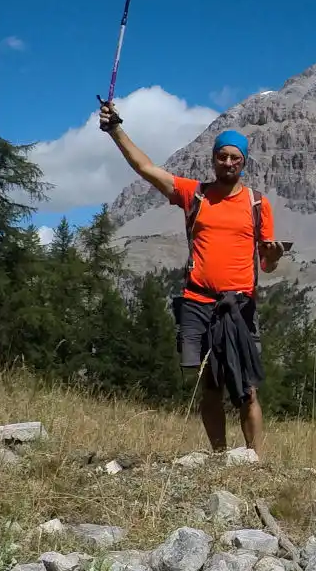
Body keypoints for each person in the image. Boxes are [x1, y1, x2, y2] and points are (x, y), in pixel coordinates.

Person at [100, 101, 282, 458]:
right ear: (213, 159)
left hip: (240, 306)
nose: (228, 163)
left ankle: (255, 462)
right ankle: (218, 456)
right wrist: (115, 130)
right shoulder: (194, 194)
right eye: (222, 156)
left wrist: (272, 257)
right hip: (197, 302)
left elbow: (267, 264)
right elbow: (146, 168)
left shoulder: (258, 204)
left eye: (235, 158)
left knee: (246, 389)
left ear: (244, 162)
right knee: (210, 387)